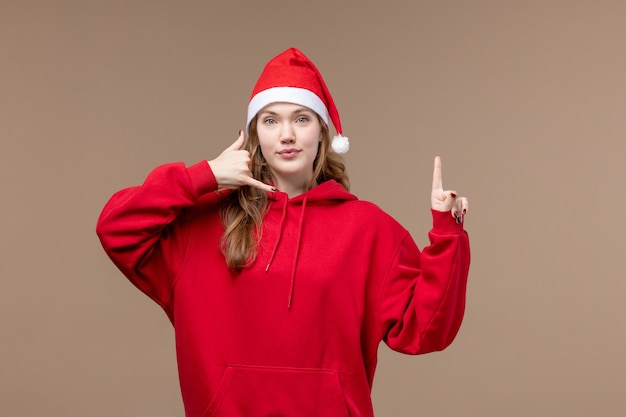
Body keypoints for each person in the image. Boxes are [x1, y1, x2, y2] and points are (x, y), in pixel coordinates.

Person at [96, 47, 470, 417]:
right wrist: (204, 176)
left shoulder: (368, 229)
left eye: (302, 119)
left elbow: (427, 330)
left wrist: (447, 232)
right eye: (271, 120)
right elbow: (116, 227)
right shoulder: (204, 223)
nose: (287, 134)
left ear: (323, 133)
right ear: (255, 133)